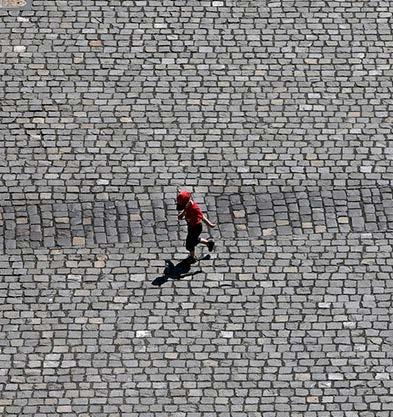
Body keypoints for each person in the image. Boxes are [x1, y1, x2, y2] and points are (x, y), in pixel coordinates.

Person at [176, 190, 216, 263]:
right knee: (194, 240)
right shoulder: (187, 205)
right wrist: (184, 211)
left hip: (196, 228)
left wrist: (210, 224)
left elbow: (202, 217)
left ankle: (192, 257)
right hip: (191, 227)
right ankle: (209, 243)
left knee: (189, 244)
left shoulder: (194, 208)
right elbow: (181, 215)